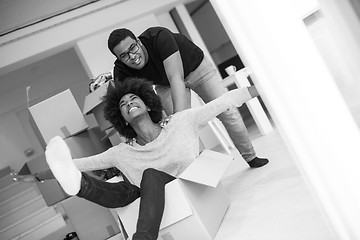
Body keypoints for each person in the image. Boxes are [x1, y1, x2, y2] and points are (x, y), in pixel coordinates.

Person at [14, 77, 261, 240]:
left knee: (150, 175)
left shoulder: (180, 122)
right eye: (123, 104)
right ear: (121, 117)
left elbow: (220, 104)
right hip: (143, 194)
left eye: (134, 98)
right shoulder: (122, 152)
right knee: (123, 188)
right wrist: (38, 176)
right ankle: (80, 185)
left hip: (182, 183)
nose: (129, 103)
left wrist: (260, 86)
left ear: (147, 103)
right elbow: (79, 164)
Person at [107, 26, 269, 168]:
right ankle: (205, 171)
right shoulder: (121, 71)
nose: (132, 56)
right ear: (119, 59)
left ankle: (250, 157)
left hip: (197, 69)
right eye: (124, 56)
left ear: (139, 41)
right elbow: (125, 105)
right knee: (181, 131)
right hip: (165, 84)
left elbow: (176, 77)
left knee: (226, 111)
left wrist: (179, 119)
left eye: (133, 48)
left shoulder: (158, 37)